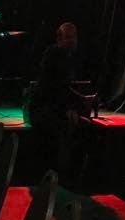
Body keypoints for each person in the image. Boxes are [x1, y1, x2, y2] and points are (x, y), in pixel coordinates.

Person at [26, 22, 83, 185]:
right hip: (45, 108)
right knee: (59, 134)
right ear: (59, 38)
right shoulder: (54, 55)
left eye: (74, 37)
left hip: (53, 106)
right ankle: (56, 177)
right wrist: (67, 109)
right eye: (69, 37)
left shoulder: (69, 56)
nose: (72, 41)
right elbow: (51, 89)